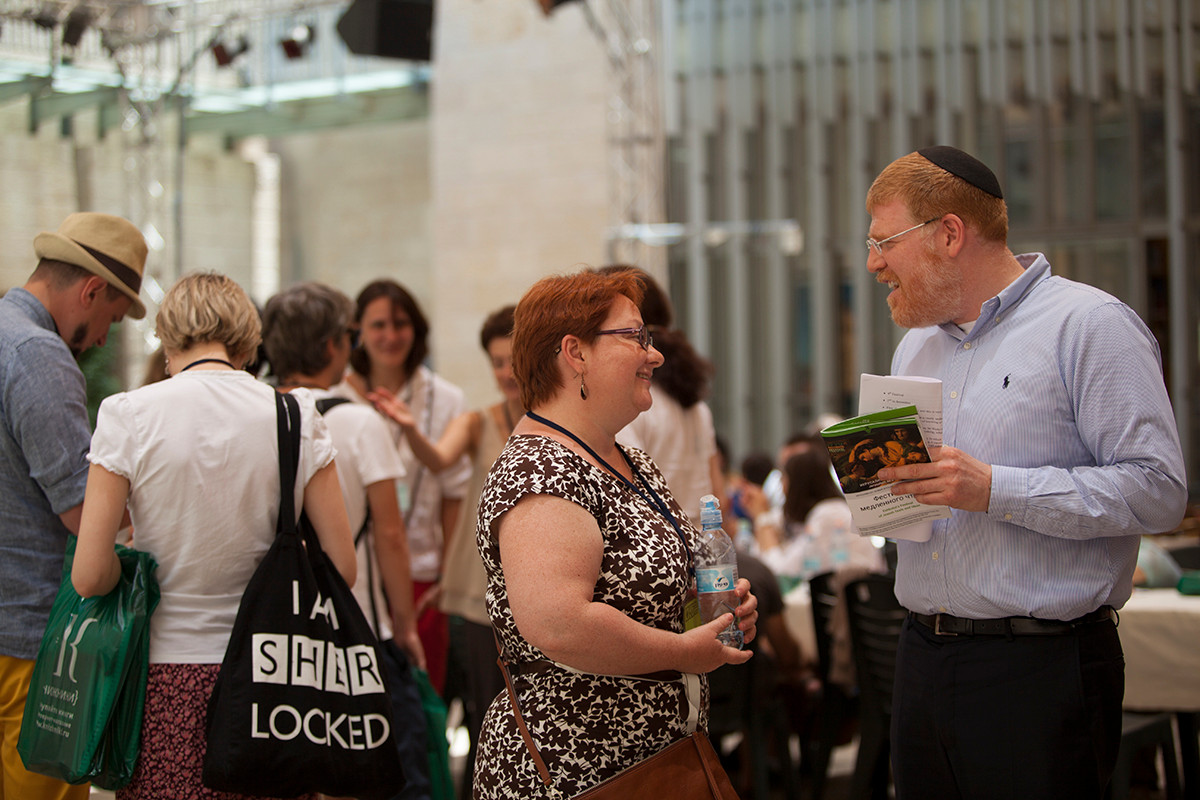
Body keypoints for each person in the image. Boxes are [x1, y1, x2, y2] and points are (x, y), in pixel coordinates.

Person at [864, 145, 1188, 799]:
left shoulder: (1090, 327)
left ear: (949, 233)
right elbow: (906, 506)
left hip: (1041, 668)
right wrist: (877, 488)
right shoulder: (914, 345)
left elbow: (1160, 492)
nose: (873, 264)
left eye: (883, 243)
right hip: (922, 656)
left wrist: (995, 489)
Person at [472, 268, 759, 797]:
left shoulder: (628, 459)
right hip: (577, 769)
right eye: (636, 337)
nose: (655, 354)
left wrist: (711, 607)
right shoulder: (540, 471)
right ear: (574, 353)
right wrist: (682, 650)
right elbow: (560, 623)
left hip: (657, 757)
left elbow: (643, 587)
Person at [71, 272, 357, 799]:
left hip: (161, 679)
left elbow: (89, 575)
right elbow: (342, 566)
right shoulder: (296, 415)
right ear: (249, 341)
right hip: (276, 684)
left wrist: (130, 563)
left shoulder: (127, 414)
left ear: (168, 337)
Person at [261, 282, 431, 800]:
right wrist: (405, 627)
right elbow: (390, 534)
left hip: (279, 635)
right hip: (360, 629)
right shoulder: (359, 422)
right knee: (388, 777)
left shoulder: (258, 412)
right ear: (334, 344)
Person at [0, 212, 146, 800]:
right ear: (90, 289)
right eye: (109, 317)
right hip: (31, 647)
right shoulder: (38, 355)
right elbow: (83, 514)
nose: (104, 339)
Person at [368, 304, 520, 798]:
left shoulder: (562, 425)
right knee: (488, 725)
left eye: (513, 359)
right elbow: (437, 459)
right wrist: (411, 429)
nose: (505, 373)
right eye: (496, 362)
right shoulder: (480, 423)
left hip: (541, 599)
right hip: (480, 604)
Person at [332, 280, 471, 696]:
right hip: (354, 573)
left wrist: (447, 572)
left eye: (400, 324)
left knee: (421, 698)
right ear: (357, 332)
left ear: (417, 329)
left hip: (422, 572)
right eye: (378, 325)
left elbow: (453, 491)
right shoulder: (335, 396)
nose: (390, 336)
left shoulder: (444, 398)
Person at [602, 266, 724, 523]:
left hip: (663, 547)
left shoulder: (633, 404)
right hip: (701, 542)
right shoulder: (696, 405)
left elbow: (630, 499)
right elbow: (717, 490)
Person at [749, 448, 885, 581]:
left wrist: (762, 518)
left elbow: (783, 572)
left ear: (798, 483)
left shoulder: (829, 514)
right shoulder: (825, 510)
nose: (781, 486)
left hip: (859, 598)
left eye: (784, 477)